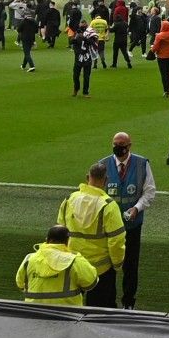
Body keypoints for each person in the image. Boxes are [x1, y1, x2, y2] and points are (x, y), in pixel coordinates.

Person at [57, 162, 127, 308]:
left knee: (71, 309)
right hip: (101, 271)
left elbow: (59, 234)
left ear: (87, 177)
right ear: (106, 180)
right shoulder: (108, 205)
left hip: (73, 266)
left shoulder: (69, 200)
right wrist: (117, 264)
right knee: (100, 313)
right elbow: (116, 241)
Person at [100, 132, 155, 310]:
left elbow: (149, 191)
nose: (118, 147)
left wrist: (136, 208)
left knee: (130, 266)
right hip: (109, 227)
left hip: (132, 226)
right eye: (115, 144)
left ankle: (128, 302)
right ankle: (108, 301)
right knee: (107, 265)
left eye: (121, 144)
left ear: (129, 145)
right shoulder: (103, 164)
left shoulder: (141, 164)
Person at [16, 224, 98, 306]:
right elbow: (90, 283)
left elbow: (20, 284)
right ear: (68, 241)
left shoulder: (29, 259)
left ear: (47, 240)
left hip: (34, 311)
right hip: (68, 313)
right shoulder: (74, 260)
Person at [71, 22, 97, 97]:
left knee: (86, 76)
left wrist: (84, 38)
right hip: (79, 59)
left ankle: (85, 92)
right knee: (76, 76)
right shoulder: (77, 37)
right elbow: (71, 41)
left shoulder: (88, 38)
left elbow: (93, 43)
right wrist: (76, 36)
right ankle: (76, 88)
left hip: (86, 59)